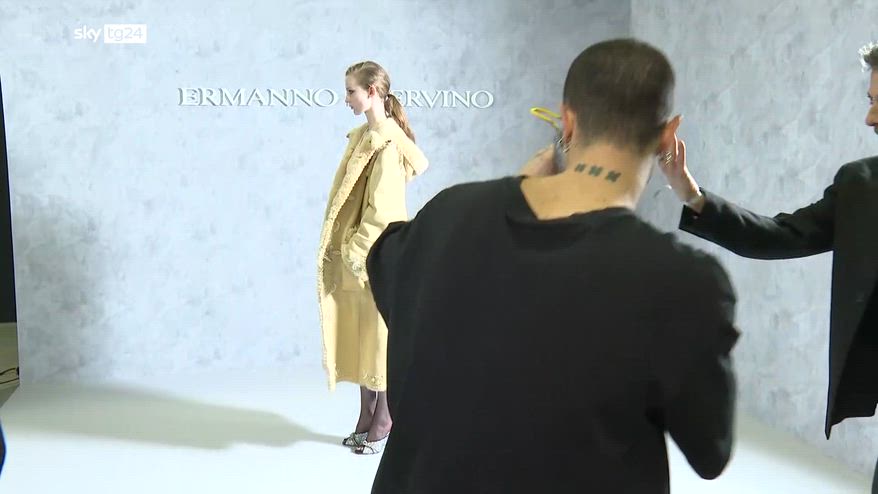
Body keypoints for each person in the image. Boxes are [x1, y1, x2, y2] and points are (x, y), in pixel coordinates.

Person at [365, 39, 740, 492]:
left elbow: (383, 263)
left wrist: (506, 192)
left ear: (568, 121)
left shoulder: (446, 215)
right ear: (667, 135)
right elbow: (710, 451)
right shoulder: (685, 281)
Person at [660, 41, 878, 491]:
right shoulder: (861, 184)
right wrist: (691, 194)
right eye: (870, 101)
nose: (869, 118)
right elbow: (777, 235)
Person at [316, 61, 428, 455]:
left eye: (351, 91)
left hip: (376, 253)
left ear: (372, 92)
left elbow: (384, 209)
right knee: (365, 331)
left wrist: (355, 249)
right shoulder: (364, 137)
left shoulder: (387, 144)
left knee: (379, 336)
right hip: (361, 255)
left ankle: (385, 416)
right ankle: (367, 413)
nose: (346, 98)